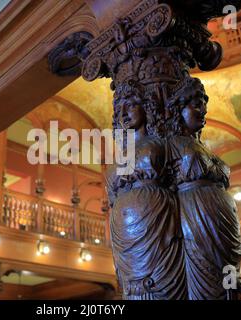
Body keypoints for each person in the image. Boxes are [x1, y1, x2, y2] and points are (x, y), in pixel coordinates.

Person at [105, 81, 186, 300]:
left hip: (157, 219)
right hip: (123, 230)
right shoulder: (120, 155)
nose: (124, 113)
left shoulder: (161, 143)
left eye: (130, 104)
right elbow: (111, 195)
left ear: (146, 107)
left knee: (160, 287)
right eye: (119, 108)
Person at [166, 76, 241, 300]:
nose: (203, 110)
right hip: (197, 216)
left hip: (223, 221)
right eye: (196, 103)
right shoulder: (172, 144)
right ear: (179, 108)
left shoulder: (203, 147)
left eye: (204, 104)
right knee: (207, 276)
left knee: (230, 277)